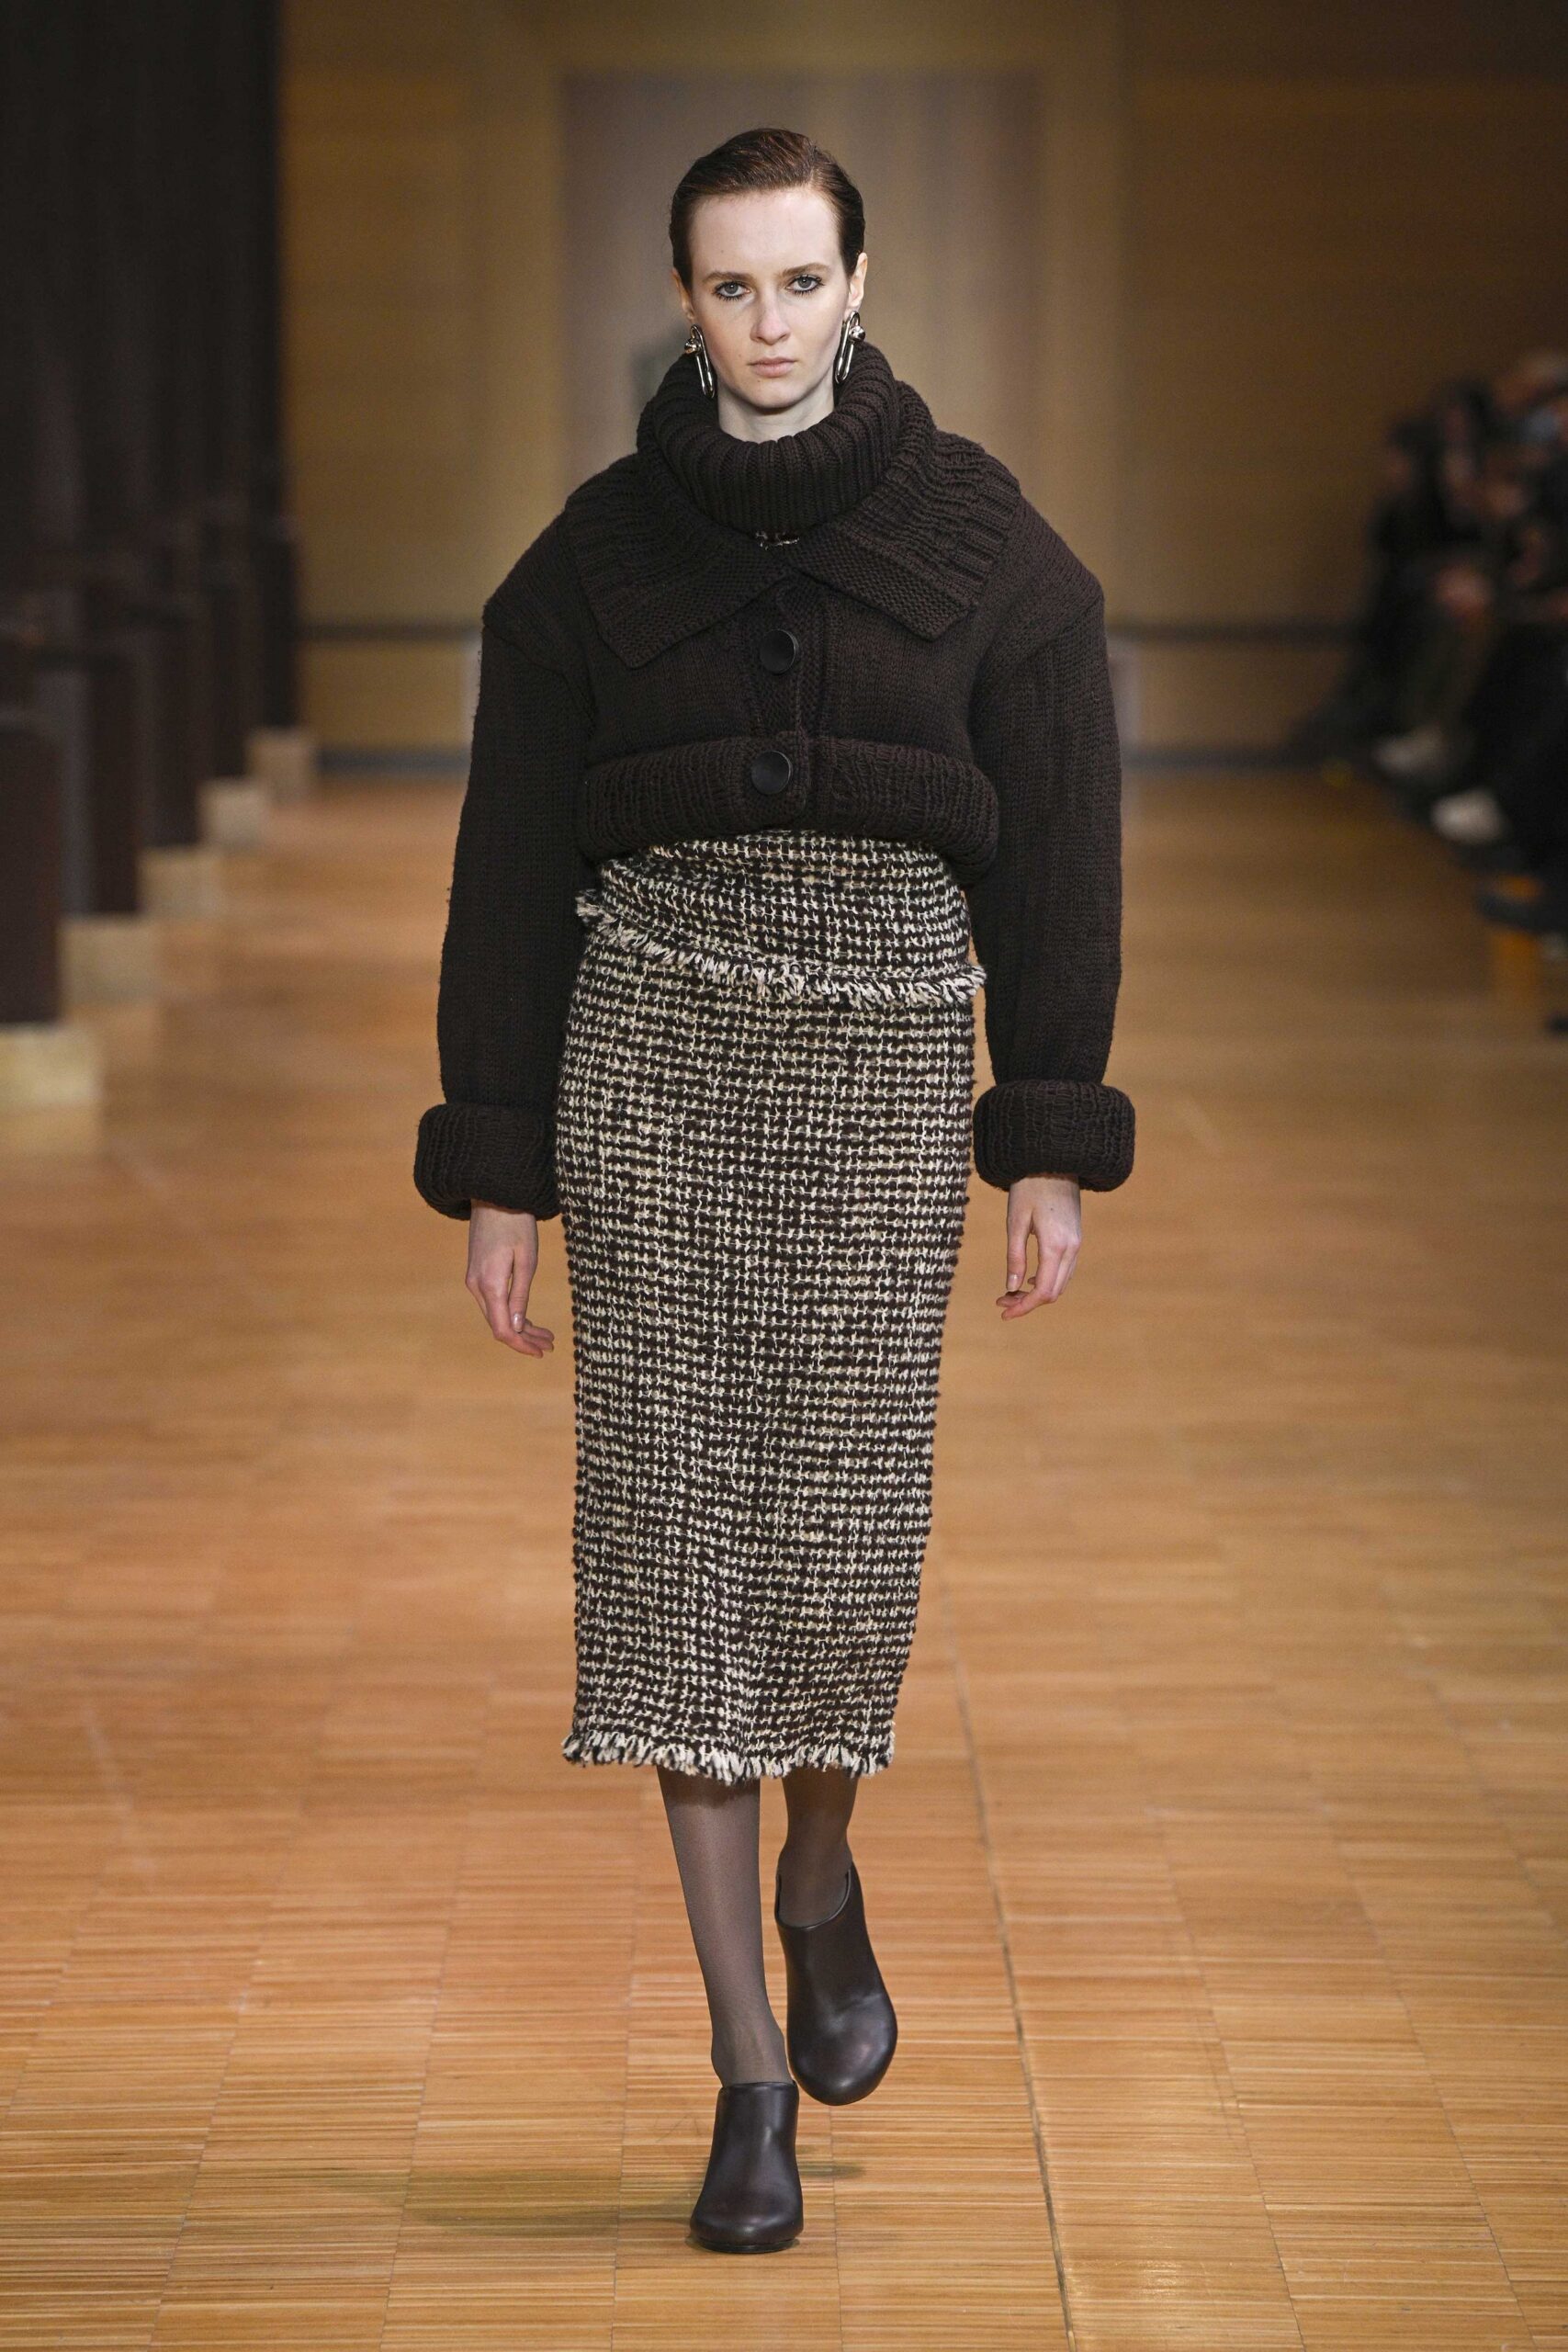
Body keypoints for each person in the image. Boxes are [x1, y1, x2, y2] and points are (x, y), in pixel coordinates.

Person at [412, 127, 1134, 2253]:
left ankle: (821, 1872)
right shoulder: (586, 564)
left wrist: (1045, 1128)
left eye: (797, 281)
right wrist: (500, 1161)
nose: (764, 323)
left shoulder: (986, 549)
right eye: (727, 286)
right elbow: (503, 868)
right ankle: (745, 2075)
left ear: (855, 283)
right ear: (682, 295)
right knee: (672, 1550)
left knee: (833, 1540)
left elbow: (1062, 844)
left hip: (881, 1077)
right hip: (651, 1061)